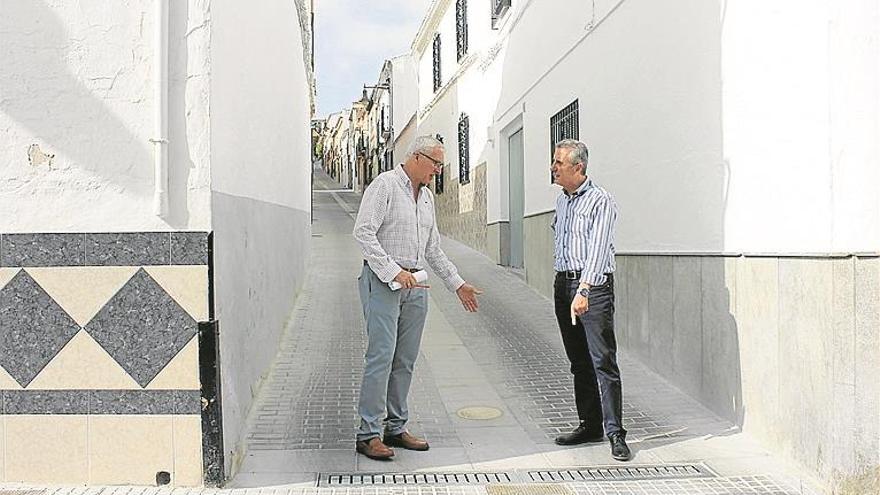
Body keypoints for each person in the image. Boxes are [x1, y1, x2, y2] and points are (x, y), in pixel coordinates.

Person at [352, 135, 482, 460]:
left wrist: (458, 283)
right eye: (436, 163)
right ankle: (368, 434)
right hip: (383, 284)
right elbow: (363, 232)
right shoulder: (384, 186)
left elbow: (433, 249)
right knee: (380, 357)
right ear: (417, 158)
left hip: (415, 288)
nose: (438, 170)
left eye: (441, 165)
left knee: (405, 360)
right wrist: (393, 271)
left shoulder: (426, 198)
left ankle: (395, 428)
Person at [550, 139, 630, 461]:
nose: (553, 167)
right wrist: (566, 287)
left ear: (577, 167)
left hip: (592, 289)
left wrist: (583, 290)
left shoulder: (601, 200)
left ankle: (615, 433)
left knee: (603, 362)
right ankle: (590, 425)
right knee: (579, 362)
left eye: (558, 162)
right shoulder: (561, 202)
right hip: (563, 285)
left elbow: (598, 250)